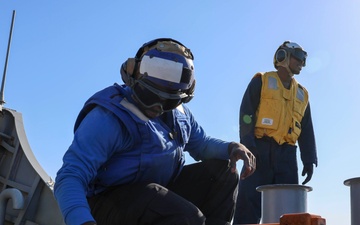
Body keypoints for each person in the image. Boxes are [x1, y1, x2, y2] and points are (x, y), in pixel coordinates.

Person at [54, 38, 256, 225]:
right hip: (107, 205)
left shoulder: (180, 115)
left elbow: (201, 144)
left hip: (155, 195)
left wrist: (231, 148)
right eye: (149, 96)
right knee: (186, 216)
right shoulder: (109, 118)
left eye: (168, 101)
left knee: (223, 173)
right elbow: (70, 176)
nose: (157, 107)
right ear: (133, 79)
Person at [232, 41, 318, 224]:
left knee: (288, 210)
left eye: (305, 60)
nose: (302, 63)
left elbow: (306, 128)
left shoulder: (302, 94)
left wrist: (309, 159)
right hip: (258, 150)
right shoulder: (261, 81)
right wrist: (249, 146)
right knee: (248, 204)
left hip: (287, 155)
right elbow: (246, 114)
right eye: (299, 57)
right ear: (283, 56)